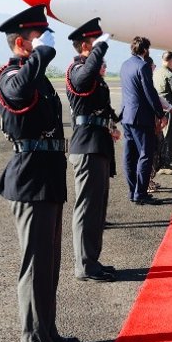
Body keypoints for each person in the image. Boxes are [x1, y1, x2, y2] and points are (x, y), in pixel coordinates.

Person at [0, 5, 77, 342]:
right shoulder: (10, 75)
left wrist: (40, 54)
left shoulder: (36, 76)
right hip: (30, 180)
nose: (45, 41)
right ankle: (33, 340)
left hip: (47, 177)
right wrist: (43, 53)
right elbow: (17, 92)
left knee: (49, 264)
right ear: (20, 44)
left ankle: (47, 331)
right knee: (35, 264)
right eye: (37, 37)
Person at [66, 18, 120, 283]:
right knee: (86, 210)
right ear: (86, 45)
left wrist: (112, 123)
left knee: (97, 209)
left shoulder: (91, 73)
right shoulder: (77, 69)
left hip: (97, 144)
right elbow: (85, 78)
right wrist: (98, 51)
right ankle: (84, 266)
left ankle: (92, 261)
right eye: (96, 43)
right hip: (86, 147)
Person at [119, 36, 167, 205]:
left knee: (130, 156)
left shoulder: (125, 65)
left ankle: (133, 192)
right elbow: (150, 92)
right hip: (141, 118)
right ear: (145, 50)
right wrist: (161, 114)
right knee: (145, 155)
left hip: (127, 116)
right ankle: (141, 193)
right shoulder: (143, 66)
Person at [153, 51, 172, 170]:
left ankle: (166, 158)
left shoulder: (156, 73)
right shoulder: (170, 75)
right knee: (170, 135)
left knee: (162, 134)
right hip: (169, 107)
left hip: (159, 106)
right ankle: (166, 161)